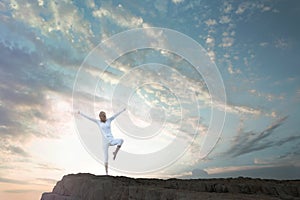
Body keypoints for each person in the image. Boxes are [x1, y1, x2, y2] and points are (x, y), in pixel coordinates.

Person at [78, 108, 126, 175]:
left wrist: (123, 110)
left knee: (121, 140)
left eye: (104, 116)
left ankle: (115, 153)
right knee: (106, 158)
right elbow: (89, 118)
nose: (104, 118)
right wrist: (81, 113)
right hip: (105, 142)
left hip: (111, 139)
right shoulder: (98, 122)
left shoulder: (109, 120)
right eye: (102, 117)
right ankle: (106, 173)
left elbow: (116, 115)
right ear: (100, 117)